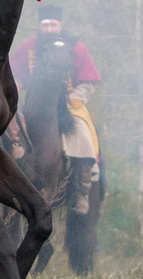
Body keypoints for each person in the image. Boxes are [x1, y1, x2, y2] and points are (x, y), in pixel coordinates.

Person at [9, 11, 103, 169]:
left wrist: (76, 98)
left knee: (82, 133)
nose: (49, 29)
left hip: (69, 105)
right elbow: (15, 76)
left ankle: (82, 185)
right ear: (39, 26)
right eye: (45, 25)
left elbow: (88, 81)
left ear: (60, 26)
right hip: (32, 105)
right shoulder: (28, 47)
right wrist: (14, 89)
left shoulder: (77, 49)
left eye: (53, 25)